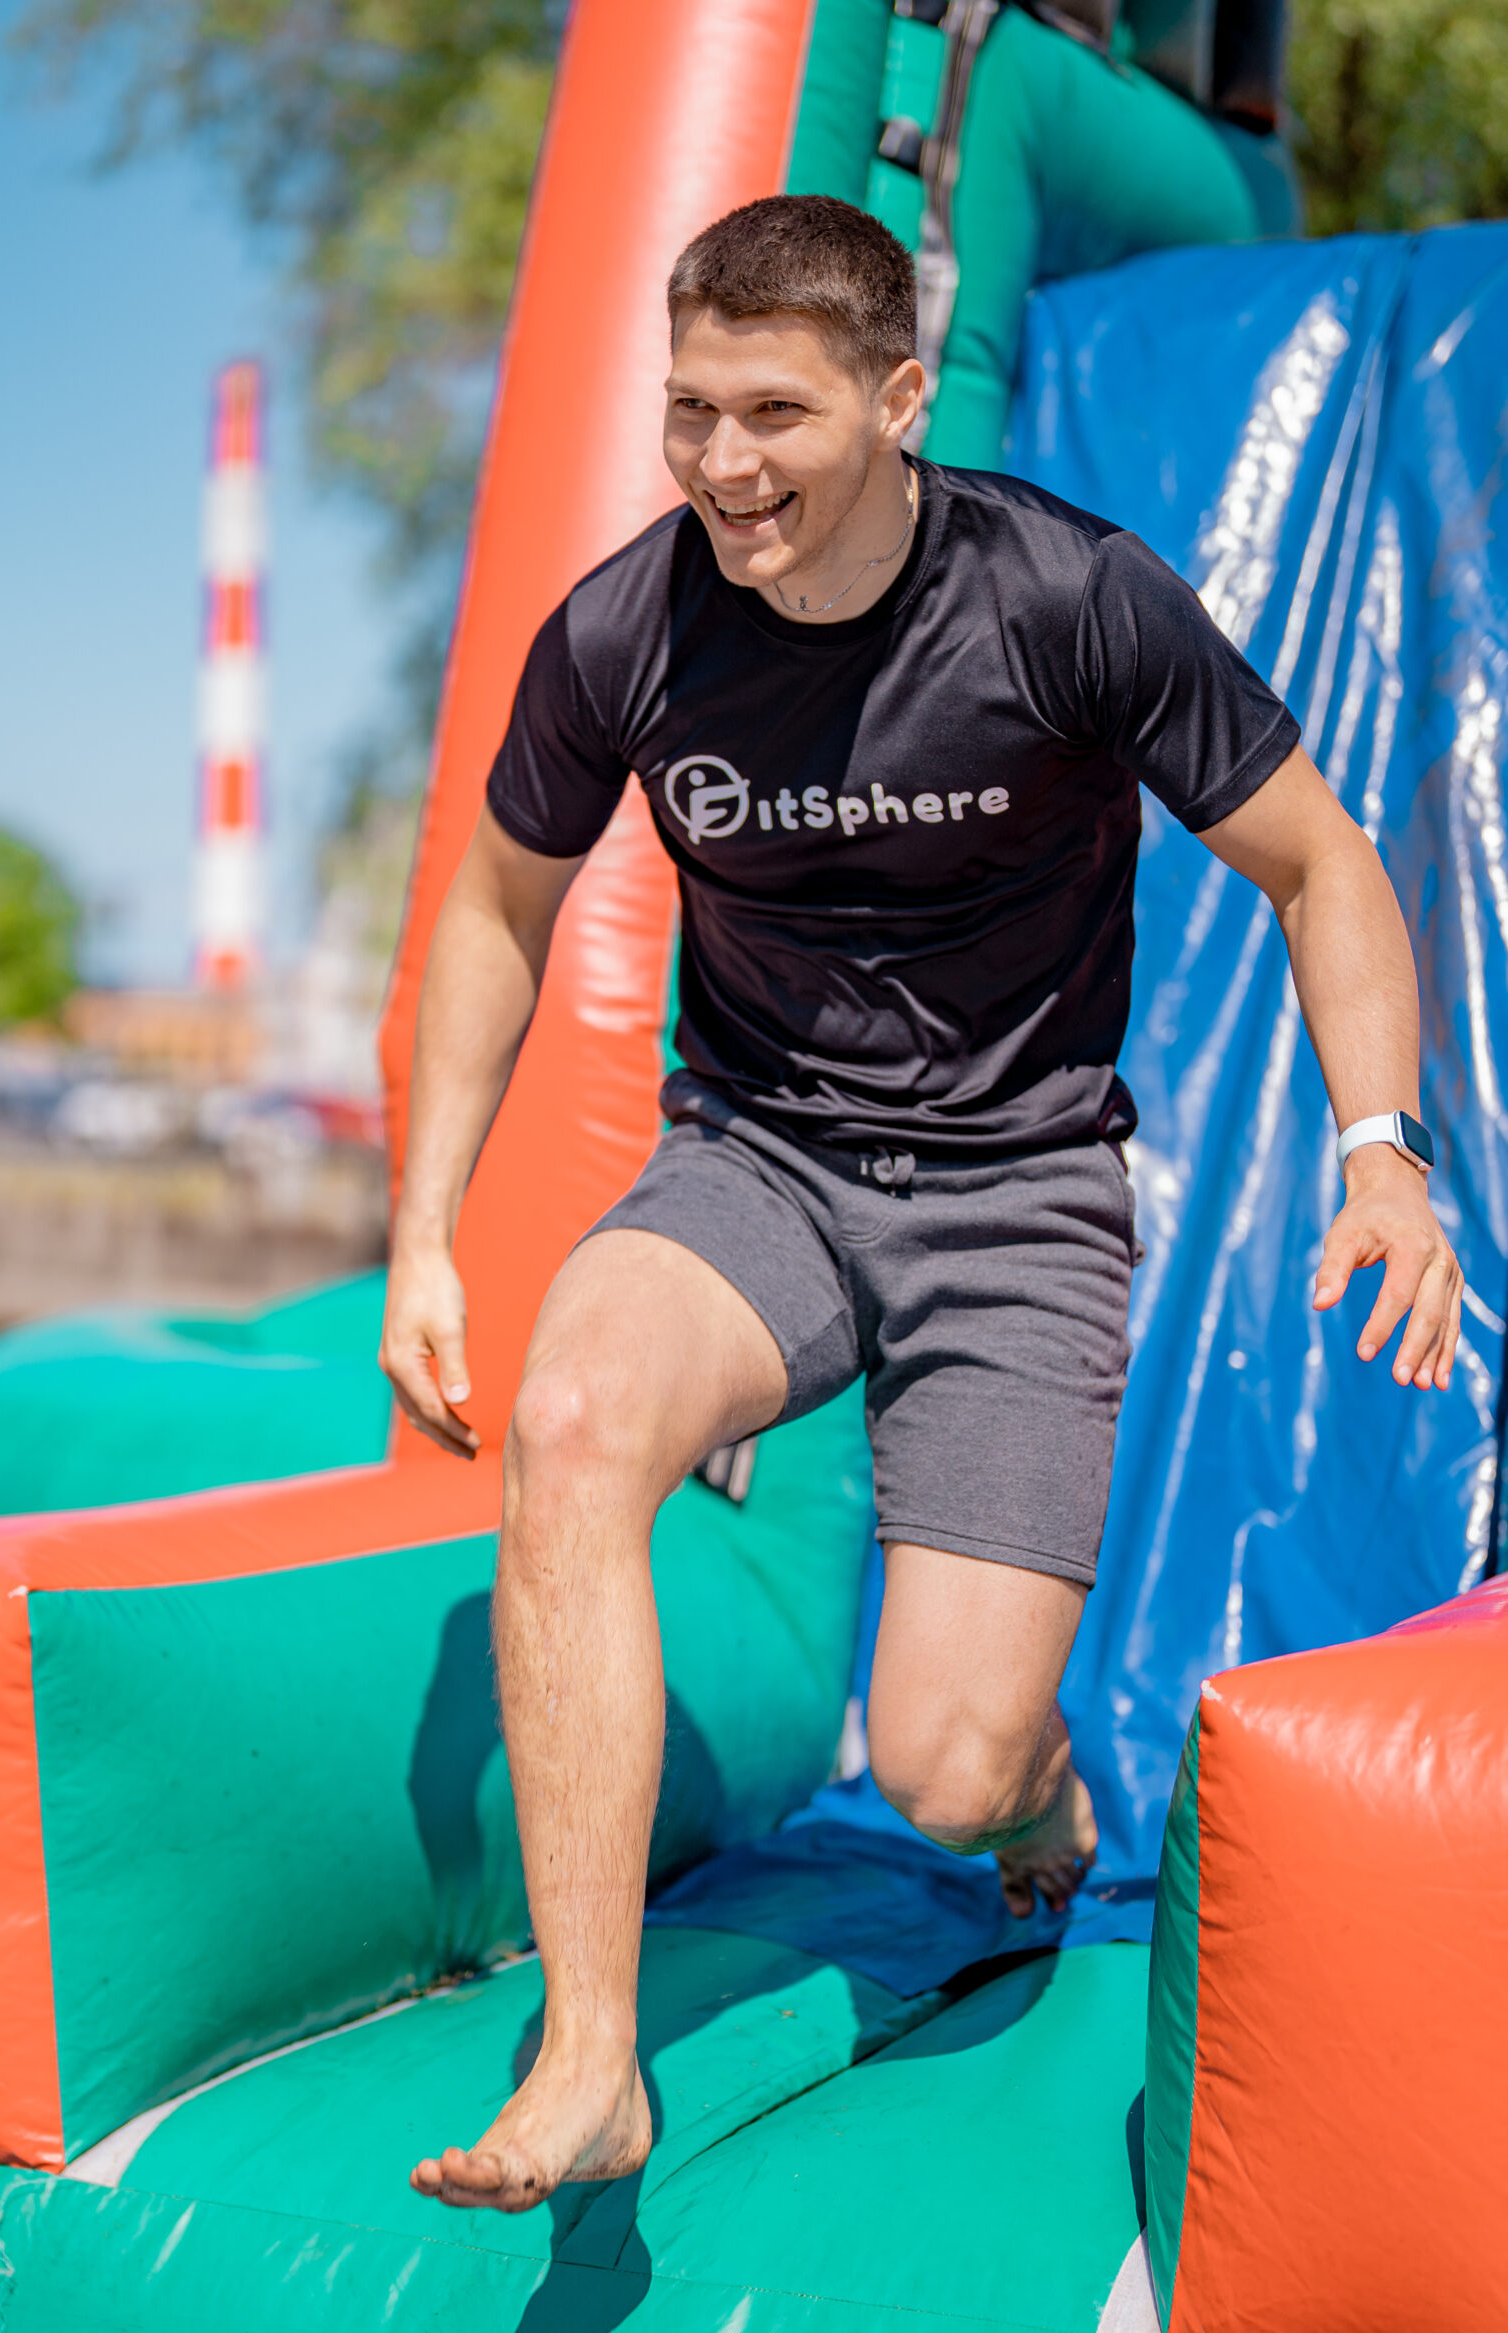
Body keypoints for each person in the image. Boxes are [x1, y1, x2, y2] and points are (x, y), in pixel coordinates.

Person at [381, 195, 1461, 2213]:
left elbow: (1320, 862)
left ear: (896, 400)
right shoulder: (627, 632)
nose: (721, 464)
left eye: (772, 414)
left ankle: (1039, 1783)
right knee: (571, 1417)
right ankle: (594, 2057)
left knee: (944, 1773)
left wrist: (1377, 1151)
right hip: (757, 1158)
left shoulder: (1066, 598)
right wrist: (425, 1223)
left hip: (1014, 1195)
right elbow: (495, 912)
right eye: (688, 410)